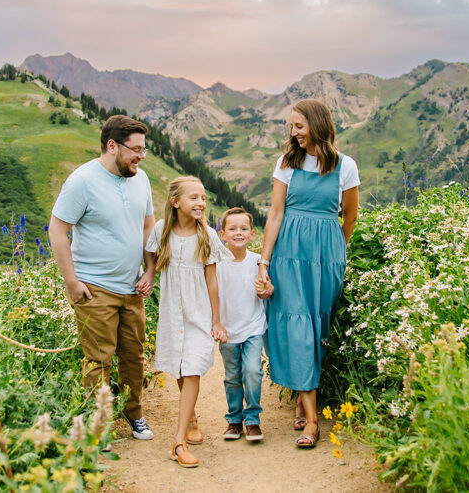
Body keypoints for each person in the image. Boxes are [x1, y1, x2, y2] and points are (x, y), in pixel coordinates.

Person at [257, 99, 360, 448]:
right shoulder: (287, 163)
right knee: (296, 325)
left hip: (326, 257)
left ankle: (303, 401)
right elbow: (274, 214)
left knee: (316, 327)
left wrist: (333, 252)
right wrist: (264, 262)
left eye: (298, 126)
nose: (293, 133)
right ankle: (312, 423)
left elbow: (349, 218)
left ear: (316, 124)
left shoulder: (346, 167)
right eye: (291, 127)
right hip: (288, 254)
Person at [49, 114, 157, 442]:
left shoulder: (141, 179)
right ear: (112, 146)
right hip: (93, 288)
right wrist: (71, 281)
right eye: (135, 149)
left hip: (132, 286)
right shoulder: (82, 181)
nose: (141, 155)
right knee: (98, 360)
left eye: (143, 149)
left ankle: (134, 412)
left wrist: (150, 271)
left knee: (134, 355)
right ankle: (99, 425)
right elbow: (57, 230)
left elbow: (148, 227)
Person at [141, 176, 229, 468]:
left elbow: (212, 281)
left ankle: (177, 442)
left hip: (198, 314)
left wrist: (216, 321)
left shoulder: (208, 236)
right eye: (194, 198)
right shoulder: (161, 231)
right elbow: (150, 252)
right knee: (180, 368)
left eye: (203, 198)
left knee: (192, 370)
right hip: (171, 312)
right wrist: (150, 274)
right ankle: (190, 416)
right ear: (175, 202)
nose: (201, 203)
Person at [216, 207, 274, 443]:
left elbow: (266, 291)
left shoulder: (257, 262)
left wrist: (267, 290)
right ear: (222, 234)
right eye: (232, 228)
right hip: (228, 330)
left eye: (243, 228)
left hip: (253, 327)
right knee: (232, 376)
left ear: (252, 234)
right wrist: (216, 324)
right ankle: (234, 419)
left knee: (252, 371)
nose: (238, 233)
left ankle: (252, 419)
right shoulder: (217, 263)